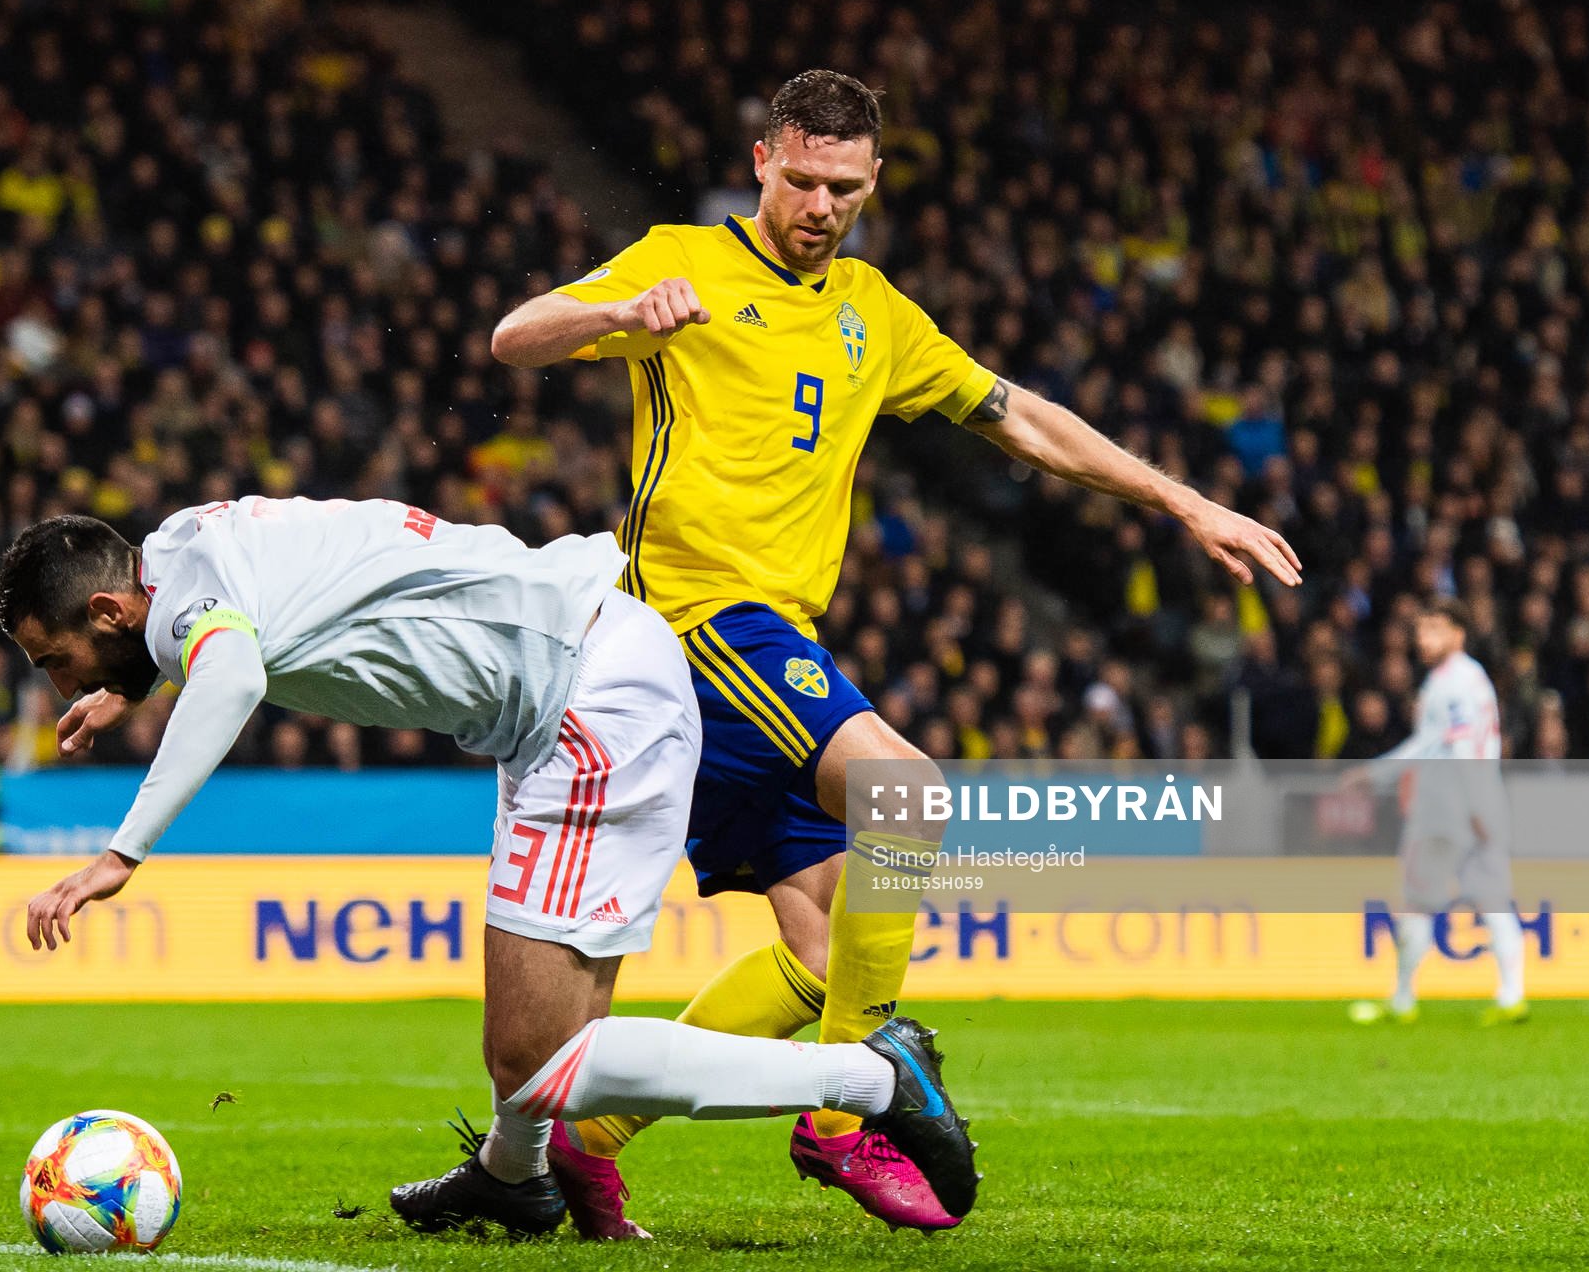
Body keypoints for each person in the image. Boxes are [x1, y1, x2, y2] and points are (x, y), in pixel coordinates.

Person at [492, 68, 1303, 1234]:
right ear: (766, 158)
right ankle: (838, 1122)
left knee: (827, 953)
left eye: (848, 189)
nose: (822, 207)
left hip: (774, 643)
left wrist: (1185, 504)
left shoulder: (876, 310)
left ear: (874, 182)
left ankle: (593, 1134)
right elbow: (515, 336)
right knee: (907, 797)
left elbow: (1019, 415)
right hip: (690, 622)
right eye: (806, 179)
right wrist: (621, 315)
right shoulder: (688, 260)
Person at [0, 497, 979, 1236]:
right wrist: (135, 681)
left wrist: (121, 851)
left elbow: (234, 668)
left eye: (56, 658)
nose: (61, 683)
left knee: (539, 1063)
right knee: (537, 1034)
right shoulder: (175, 546)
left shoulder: (177, 615)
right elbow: (210, 625)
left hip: (585, 701)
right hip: (574, 676)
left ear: (113, 609)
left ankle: (870, 1076)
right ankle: (516, 1177)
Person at [1346, 598, 1524, 1027]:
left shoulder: (1451, 684)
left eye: (1435, 630)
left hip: (1448, 808)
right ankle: (1512, 996)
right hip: (1479, 799)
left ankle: (1403, 1000)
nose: (1423, 639)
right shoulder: (1470, 678)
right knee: (1493, 897)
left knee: (1417, 903)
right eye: (1420, 630)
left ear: (1458, 634)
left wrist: (1375, 774)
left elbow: (1453, 747)